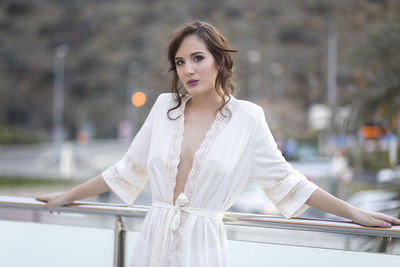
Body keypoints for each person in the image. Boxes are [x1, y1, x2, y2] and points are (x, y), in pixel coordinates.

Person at [35, 21, 400, 267]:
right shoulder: (164, 108)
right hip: (153, 240)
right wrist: (66, 196)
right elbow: (128, 169)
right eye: (180, 62)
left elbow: (287, 181)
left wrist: (353, 213)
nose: (188, 70)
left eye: (198, 58)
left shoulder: (247, 119)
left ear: (219, 61)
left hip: (203, 247)